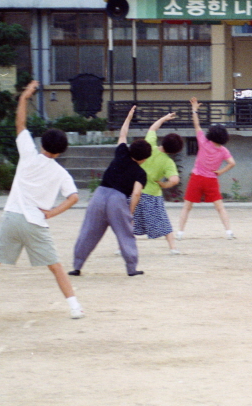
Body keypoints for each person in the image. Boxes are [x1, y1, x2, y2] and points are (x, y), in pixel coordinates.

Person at [0, 81, 82, 320]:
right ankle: (75, 307)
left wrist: (24, 97)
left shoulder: (28, 154)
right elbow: (74, 197)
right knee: (56, 267)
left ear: (42, 143)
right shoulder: (60, 172)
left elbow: (20, 124)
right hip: (36, 222)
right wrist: (52, 213)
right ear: (60, 152)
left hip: (12, 217)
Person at [69, 106, 151, 277]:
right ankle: (131, 268)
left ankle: (77, 266)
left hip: (99, 194)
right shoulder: (140, 173)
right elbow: (136, 194)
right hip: (117, 200)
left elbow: (123, 135)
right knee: (125, 234)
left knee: (88, 231)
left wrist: (128, 118)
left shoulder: (121, 153)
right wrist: (129, 213)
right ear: (144, 159)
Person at [176, 98, 237, 240]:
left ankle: (180, 233)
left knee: (187, 207)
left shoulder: (203, 142)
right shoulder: (223, 150)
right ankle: (229, 232)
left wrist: (194, 110)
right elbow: (232, 163)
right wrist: (221, 172)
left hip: (196, 178)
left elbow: (196, 125)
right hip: (211, 179)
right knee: (220, 207)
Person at [132, 112, 183, 254]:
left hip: (134, 190)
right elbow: (174, 180)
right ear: (175, 151)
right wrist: (164, 184)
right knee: (163, 221)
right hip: (153, 195)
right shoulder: (168, 162)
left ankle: (121, 247)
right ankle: (173, 247)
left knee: (129, 220)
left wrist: (163, 119)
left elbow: (152, 129)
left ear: (164, 141)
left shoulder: (149, 146)